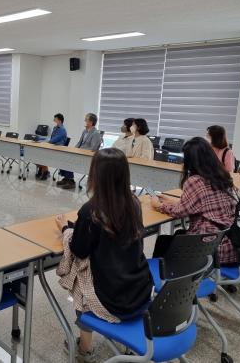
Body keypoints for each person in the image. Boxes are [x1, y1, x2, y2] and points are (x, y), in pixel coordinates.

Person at [55, 148, 152, 361]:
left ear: (96, 174)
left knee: (81, 278)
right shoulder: (134, 203)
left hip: (112, 297)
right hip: (139, 290)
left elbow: (79, 250)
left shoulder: (92, 210)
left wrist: (66, 230)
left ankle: (85, 347)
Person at [151, 137, 238, 264]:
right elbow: (205, 203)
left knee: (163, 241)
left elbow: (179, 213)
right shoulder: (222, 176)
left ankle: (163, 277)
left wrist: (158, 205)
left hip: (208, 248)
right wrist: (175, 202)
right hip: (227, 244)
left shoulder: (196, 180)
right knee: (178, 233)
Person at [57, 113, 102, 190]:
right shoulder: (85, 131)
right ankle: (67, 178)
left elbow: (93, 149)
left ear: (91, 122)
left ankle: (71, 181)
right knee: (65, 155)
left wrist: (79, 151)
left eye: (86, 120)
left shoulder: (96, 134)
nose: (84, 120)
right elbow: (79, 143)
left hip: (87, 156)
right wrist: (74, 150)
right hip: (79, 153)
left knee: (69, 159)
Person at [36, 113, 68, 181]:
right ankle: (43, 170)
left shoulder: (62, 130)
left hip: (58, 149)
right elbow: (51, 138)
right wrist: (41, 140)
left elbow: (55, 139)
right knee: (37, 154)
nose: (53, 120)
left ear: (59, 120)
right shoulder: (55, 127)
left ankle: (45, 171)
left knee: (42, 155)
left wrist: (46, 142)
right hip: (52, 147)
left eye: (55, 119)